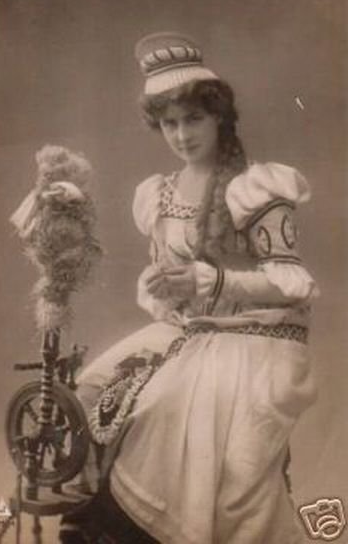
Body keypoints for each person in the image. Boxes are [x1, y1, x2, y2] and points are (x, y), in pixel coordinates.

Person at [60, 32, 318, 544]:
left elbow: (293, 284)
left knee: (168, 409)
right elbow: (172, 296)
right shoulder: (158, 194)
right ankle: (92, 523)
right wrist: (162, 287)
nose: (181, 134)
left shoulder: (255, 186)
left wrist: (210, 279)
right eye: (169, 123)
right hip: (189, 330)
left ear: (219, 116)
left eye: (193, 119)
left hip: (261, 340)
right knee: (89, 387)